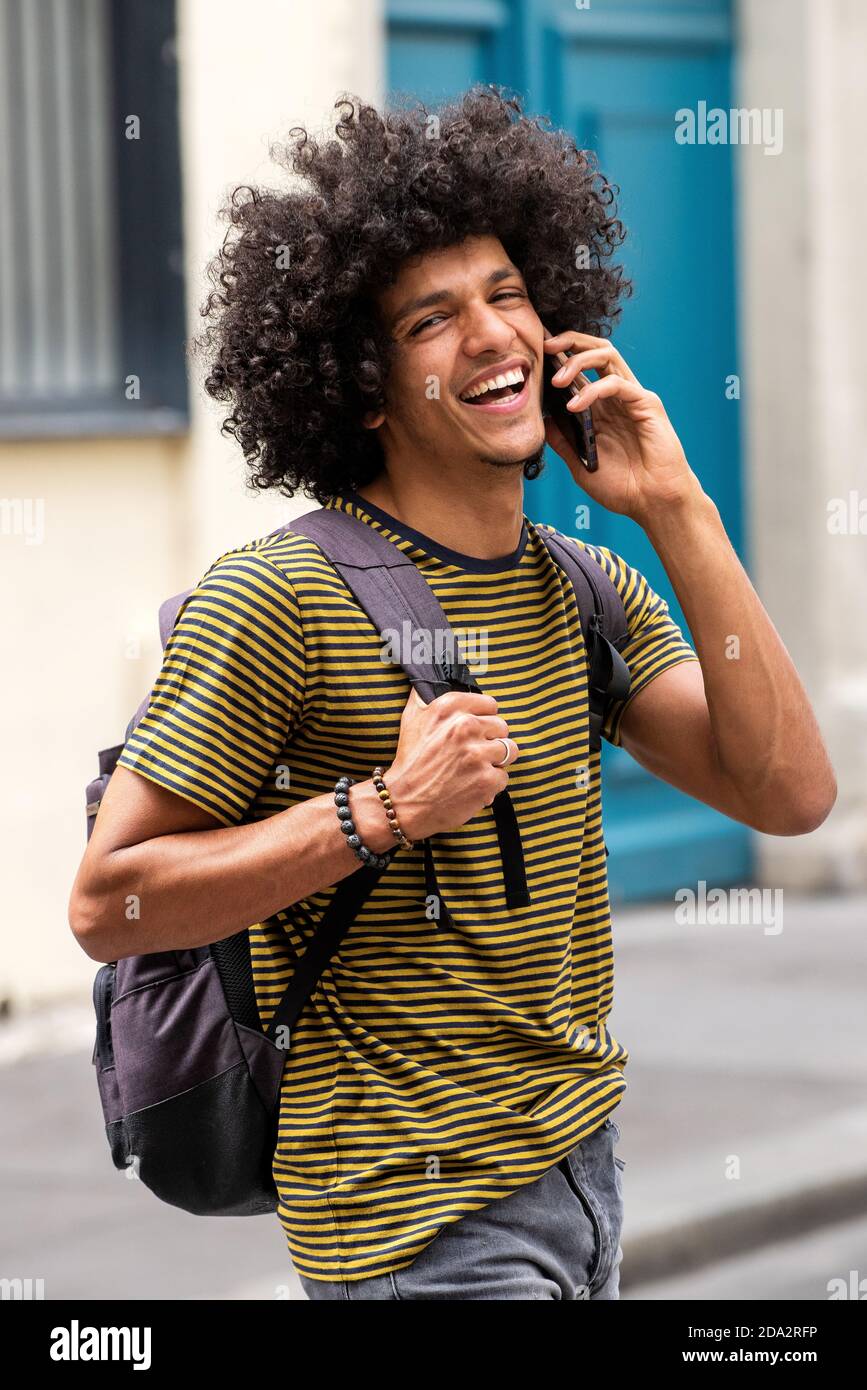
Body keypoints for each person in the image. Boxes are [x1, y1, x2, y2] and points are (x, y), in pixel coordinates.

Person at [69, 86, 836, 1301]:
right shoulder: (276, 600)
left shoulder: (586, 587)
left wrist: (680, 505)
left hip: (582, 1179)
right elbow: (109, 905)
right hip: (413, 1229)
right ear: (365, 387)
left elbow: (789, 792)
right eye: (434, 318)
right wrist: (376, 812)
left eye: (510, 295)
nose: (493, 336)